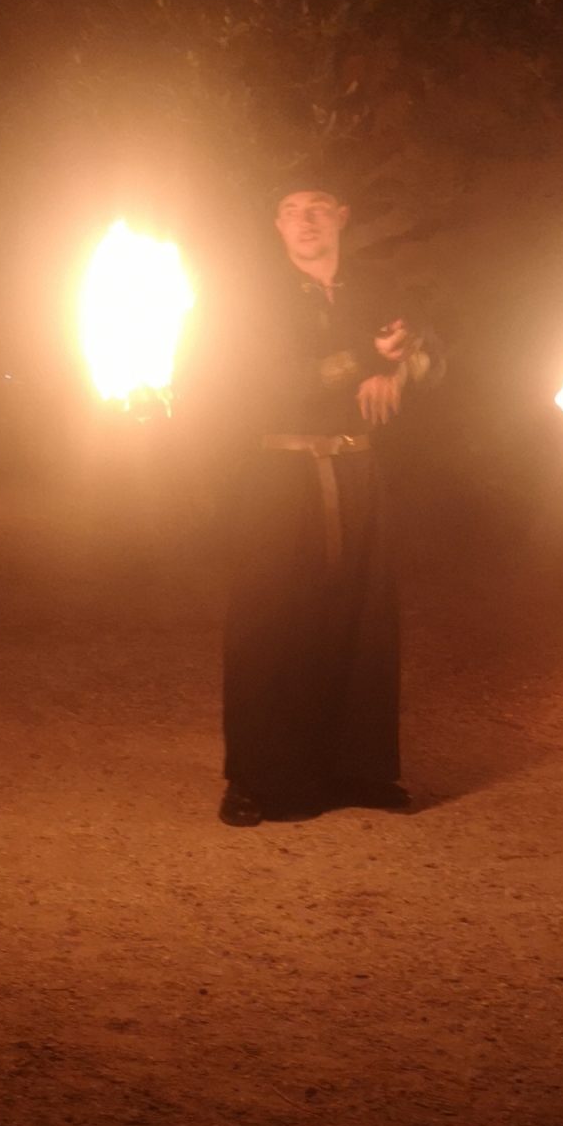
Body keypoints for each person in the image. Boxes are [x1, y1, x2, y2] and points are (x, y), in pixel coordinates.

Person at [219, 169, 443, 826]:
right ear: (278, 225)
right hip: (279, 475)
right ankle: (256, 780)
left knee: (363, 621)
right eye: (292, 210)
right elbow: (264, 384)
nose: (306, 220)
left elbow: (438, 358)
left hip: (359, 471)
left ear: (341, 216)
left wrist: (402, 366)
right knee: (269, 624)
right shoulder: (252, 296)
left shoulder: (378, 289)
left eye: (318, 207)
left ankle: (359, 770)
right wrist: (364, 361)